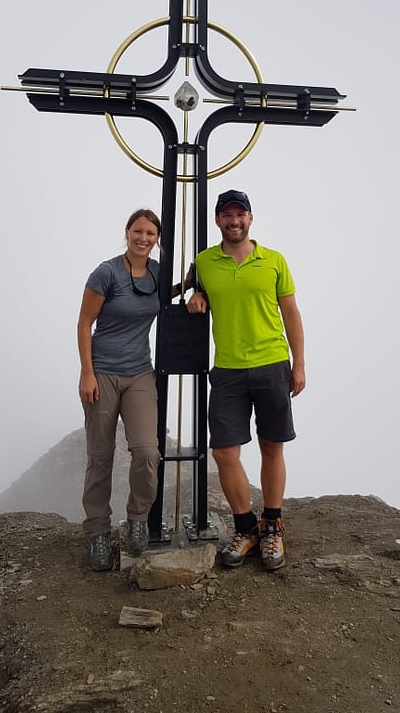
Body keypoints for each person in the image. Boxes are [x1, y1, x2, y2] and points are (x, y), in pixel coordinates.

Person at [187, 189, 305, 571]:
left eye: (240, 214)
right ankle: (246, 528)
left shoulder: (273, 261)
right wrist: (195, 292)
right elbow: (190, 285)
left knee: (272, 446)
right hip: (227, 369)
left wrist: (298, 364)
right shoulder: (204, 261)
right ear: (218, 220)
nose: (233, 221)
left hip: (272, 363)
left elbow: (291, 313)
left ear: (250, 219)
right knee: (224, 452)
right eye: (227, 215)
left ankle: (272, 527)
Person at [77, 208, 188, 571]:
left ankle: (138, 518)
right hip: (103, 373)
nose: (143, 239)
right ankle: (97, 532)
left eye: (151, 234)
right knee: (101, 457)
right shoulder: (106, 273)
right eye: (138, 232)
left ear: (157, 240)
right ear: (127, 233)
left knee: (146, 452)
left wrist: (187, 286)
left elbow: (162, 298)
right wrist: (87, 373)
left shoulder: (157, 273)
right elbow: (84, 322)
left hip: (141, 373)